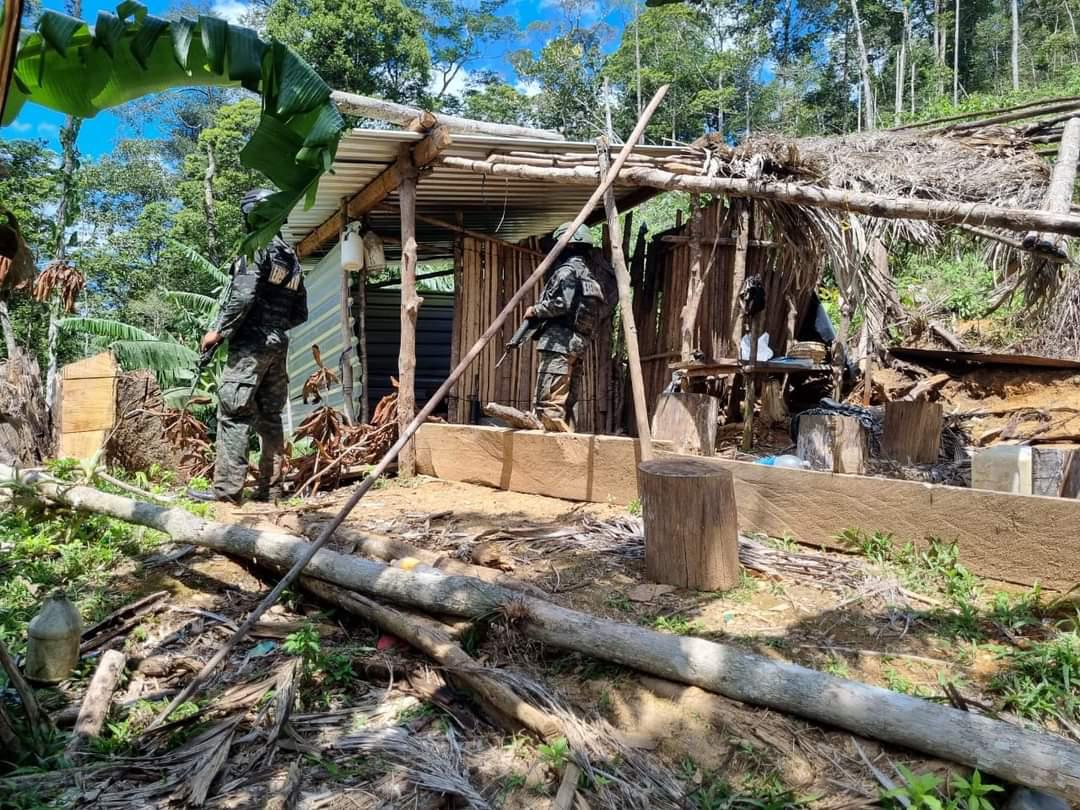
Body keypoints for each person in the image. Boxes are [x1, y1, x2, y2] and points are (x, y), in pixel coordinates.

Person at [188, 188, 308, 504]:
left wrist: (218, 332)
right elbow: (300, 312)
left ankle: (227, 492)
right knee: (271, 416)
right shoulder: (291, 257)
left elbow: (241, 296)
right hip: (277, 345)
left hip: (250, 346)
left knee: (234, 412)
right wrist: (273, 328)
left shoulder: (256, 249)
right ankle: (272, 490)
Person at [524, 222, 612, 432]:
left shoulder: (566, 272)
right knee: (566, 401)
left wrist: (535, 310)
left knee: (549, 403)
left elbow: (562, 303)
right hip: (577, 343)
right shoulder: (589, 276)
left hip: (559, 342)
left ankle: (547, 453)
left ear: (568, 245)